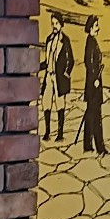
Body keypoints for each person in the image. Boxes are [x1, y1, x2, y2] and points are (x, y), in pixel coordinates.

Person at [41, 13, 74, 143]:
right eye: (52, 23)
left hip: (59, 78)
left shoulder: (65, 41)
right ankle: (47, 132)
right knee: (46, 102)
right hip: (49, 76)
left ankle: (60, 134)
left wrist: (66, 73)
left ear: (61, 24)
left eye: (56, 23)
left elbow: (70, 60)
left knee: (60, 104)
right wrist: (37, 67)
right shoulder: (49, 39)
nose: (54, 26)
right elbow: (47, 60)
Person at [79, 16, 107, 154]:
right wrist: (95, 78)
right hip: (93, 85)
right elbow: (89, 63)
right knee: (95, 116)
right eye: (96, 25)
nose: (98, 28)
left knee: (92, 116)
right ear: (90, 28)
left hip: (93, 85)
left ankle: (89, 145)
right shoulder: (90, 42)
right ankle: (98, 147)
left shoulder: (92, 41)